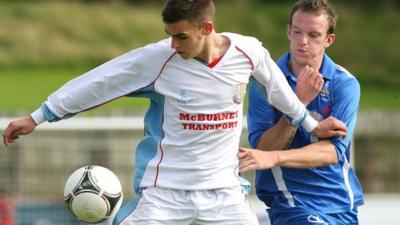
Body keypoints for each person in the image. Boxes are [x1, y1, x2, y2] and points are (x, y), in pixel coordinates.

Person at [2, 0, 347, 224]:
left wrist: (312, 125)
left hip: (224, 194)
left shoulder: (248, 52)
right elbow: (100, 82)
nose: (173, 45)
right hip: (163, 194)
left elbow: (280, 92)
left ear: (207, 29)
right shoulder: (159, 59)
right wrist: (38, 116)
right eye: (169, 36)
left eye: (181, 37)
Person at [239, 0, 364, 224]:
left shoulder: (345, 84)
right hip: (291, 203)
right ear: (289, 32)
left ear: (329, 40)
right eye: (297, 32)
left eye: (313, 35)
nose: (303, 42)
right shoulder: (264, 83)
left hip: (342, 203)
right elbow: (264, 149)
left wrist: (274, 157)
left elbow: (333, 152)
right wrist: (298, 103)